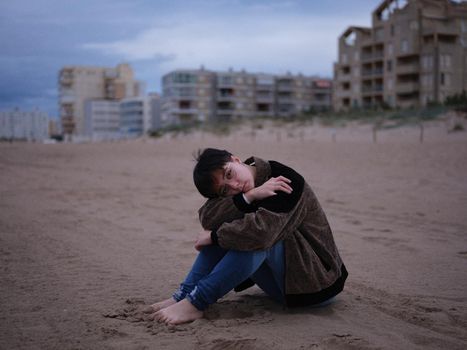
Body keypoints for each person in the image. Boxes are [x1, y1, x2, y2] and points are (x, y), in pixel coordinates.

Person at [148, 148, 348, 325]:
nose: (234, 185)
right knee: (234, 231)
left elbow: (261, 235)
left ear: (235, 159)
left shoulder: (285, 180)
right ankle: (183, 296)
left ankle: (196, 302)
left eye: (229, 174)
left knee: (253, 239)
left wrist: (215, 237)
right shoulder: (245, 189)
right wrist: (249, 197)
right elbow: (208, 218)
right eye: (225, 190)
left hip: (316, 285)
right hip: (282, 287)